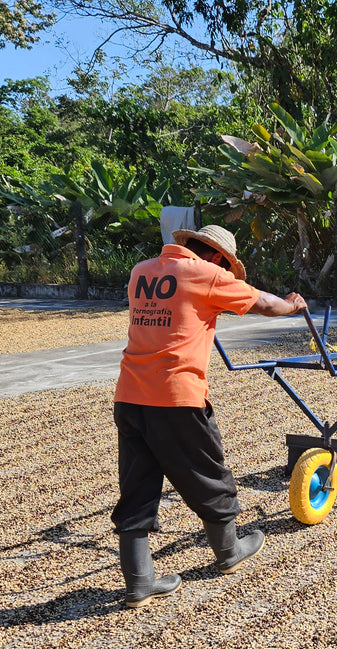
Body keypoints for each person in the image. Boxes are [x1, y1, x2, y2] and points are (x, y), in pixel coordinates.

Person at [112, 223, 307, 608]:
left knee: (137, 485)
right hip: (177, 396)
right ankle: (229, 551)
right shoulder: (205, 273)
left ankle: (138, 584)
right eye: (225, 265)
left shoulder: (141, 271)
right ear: (218, 257)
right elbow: (263, 303)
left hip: (130, 396)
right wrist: (292, 305)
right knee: (208, 471)